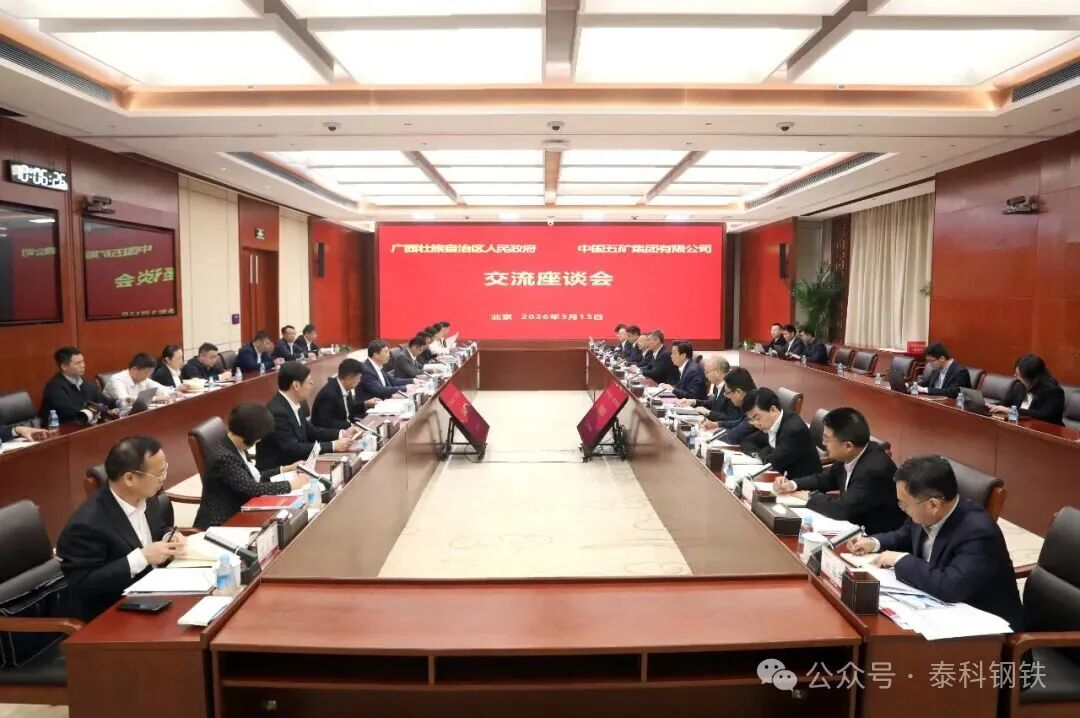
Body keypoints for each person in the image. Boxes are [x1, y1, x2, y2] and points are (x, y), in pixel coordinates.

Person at [848, 455, 1024, 630]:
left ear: (933, 504)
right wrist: (874, 542)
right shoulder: (926, 511)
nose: (903, 510)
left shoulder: (979, 532)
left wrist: (900, 559)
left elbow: (951, 586)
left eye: (904, 505)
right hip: (940, 610)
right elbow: (906, 534)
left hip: (986, 629)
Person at [56, 436, 185, 621]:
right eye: (158, 474)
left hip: (155, 594)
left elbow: (158, 528)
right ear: (130, 478)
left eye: (165, 470)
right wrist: (141, 558)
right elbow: (83, 583)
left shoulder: (148, 497)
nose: (163, 479)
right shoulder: (86, 524)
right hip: (114, 614)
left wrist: (168, 537)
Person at [774, 408, 905, 534]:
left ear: (848, 446)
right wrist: (793, 484)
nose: (823, 443)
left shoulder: (874, 470)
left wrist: (811, 497)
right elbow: (826, 479)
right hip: (853, 526)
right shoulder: (851, 454)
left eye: (827, 439)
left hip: (876, 538)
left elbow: (842, 509)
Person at [193, 403, 308, 529]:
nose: (259, 441)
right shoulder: (224, 457)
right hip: (223, 522)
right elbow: (252, 488)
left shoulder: (234, 444)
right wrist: (291, 485)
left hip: (244, 508)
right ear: (245, 437)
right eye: (258, 438)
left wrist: (286, 469)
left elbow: (254, 476)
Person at [255, 361, 356, 471]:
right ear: (296, 385)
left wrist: (342, 434)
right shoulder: (277, 412)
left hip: (300, 463)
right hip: (281, 471)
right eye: (309, 382)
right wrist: (332, 445)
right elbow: (293, 449)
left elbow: (312, 432)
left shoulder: (293, 403)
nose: (312, 384)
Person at [740, 387, 820, 478]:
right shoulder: (770, 423)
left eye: (757, 418)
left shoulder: (794, 430)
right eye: (751, 420)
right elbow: (746, 441)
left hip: (800, 482)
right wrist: (759, 454)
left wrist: (767, 451)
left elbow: (772, 463)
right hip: (780, 477)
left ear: (773, 410)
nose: (756, 424)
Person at [41, 346, 116, 423]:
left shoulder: (87, 383)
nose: (83, 365)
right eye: (78, 363)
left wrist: (118, 405)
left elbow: (105, 401)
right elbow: (70, 412)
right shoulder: (54, 387)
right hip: (62, 427)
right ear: (64, 367)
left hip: (85, 425)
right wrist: (100, 410)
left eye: (83, 361)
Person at [988, 354, 1065, 425]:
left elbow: (1043, 415)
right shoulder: (1019, 385)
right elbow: (1006, 403)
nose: (1015, 376)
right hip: (1019, 427)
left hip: (1045, 431)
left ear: (1033, 378)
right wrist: (991, 406)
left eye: (1019, 375)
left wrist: (1011, 411)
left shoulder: (1054, 392)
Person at [311, 358, 378, 431]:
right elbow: (325, 422)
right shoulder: (329, 395)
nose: (359, 381)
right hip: (336, 433)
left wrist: (366, 404)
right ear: (348, 379)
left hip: (348, 429)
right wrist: (351, 426)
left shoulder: (345, 387)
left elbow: (348, 410)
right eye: (358, 378)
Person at [702, 368, 760, 445]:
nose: (727, 397)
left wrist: (714, 432)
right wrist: (716, 424)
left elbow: (733, 437)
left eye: (727, 393)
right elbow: (739, 422)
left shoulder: (755, 408)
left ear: (738, 392)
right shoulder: (749, 400)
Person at [679, 356, 740, 423]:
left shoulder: (732, 388)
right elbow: (716, 404)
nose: (705, 376)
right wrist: (694, 402)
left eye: (707, 372)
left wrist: (708, 412)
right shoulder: (718, 385)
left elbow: (732, 418)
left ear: (717, 372)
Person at [104, 353, 168, 405]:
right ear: (135, 369)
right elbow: (125, 400)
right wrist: (155, 398)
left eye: (150, 373)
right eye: (147, 372)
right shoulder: (117, 380)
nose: (148, 376)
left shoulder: (143, 379)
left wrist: (168, 394)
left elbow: (164, 390)